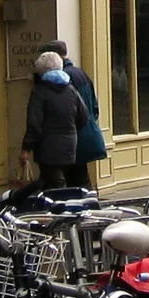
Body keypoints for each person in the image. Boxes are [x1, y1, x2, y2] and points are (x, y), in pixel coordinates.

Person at [40, 39, 108, 188]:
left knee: (70, 180)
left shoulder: (62, 78)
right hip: (87, 132)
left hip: (72, 136)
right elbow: (94, 106)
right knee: (81, 178)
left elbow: (66, 110)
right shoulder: (81, 73)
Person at [21, 50, 89, 187]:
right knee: (63, 180)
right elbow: (84, 116)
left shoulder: (40, 92)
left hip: (48, 146)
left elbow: (34, 123)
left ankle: (59, 205)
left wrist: (26, 148)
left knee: (54, 183)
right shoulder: (70, 89)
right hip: (70, 144)